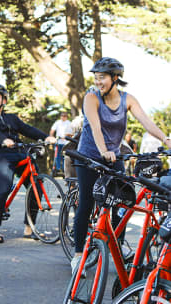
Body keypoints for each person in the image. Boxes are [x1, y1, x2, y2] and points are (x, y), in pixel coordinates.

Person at [70, 57, 171, 274]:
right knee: (87, 203)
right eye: (96, 78)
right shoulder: (91, 97)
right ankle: (78, 255)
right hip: (88, 156)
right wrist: (103, 150)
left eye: (102, 78)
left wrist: (166, 140)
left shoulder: (127, 99)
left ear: (116, 78)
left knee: (121, 203)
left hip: (113, 157)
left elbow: (146, 121)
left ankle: (118, 244)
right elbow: (95, 127)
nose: (98, 82)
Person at [0, 84, 56, 243]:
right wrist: (3, 140)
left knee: (37, 187)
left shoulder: (11, 118)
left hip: (20, 153)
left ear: (4, 101)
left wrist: (45, 137)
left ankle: (29, 228)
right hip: (2, 154)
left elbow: (27, 129)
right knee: (4, 189)